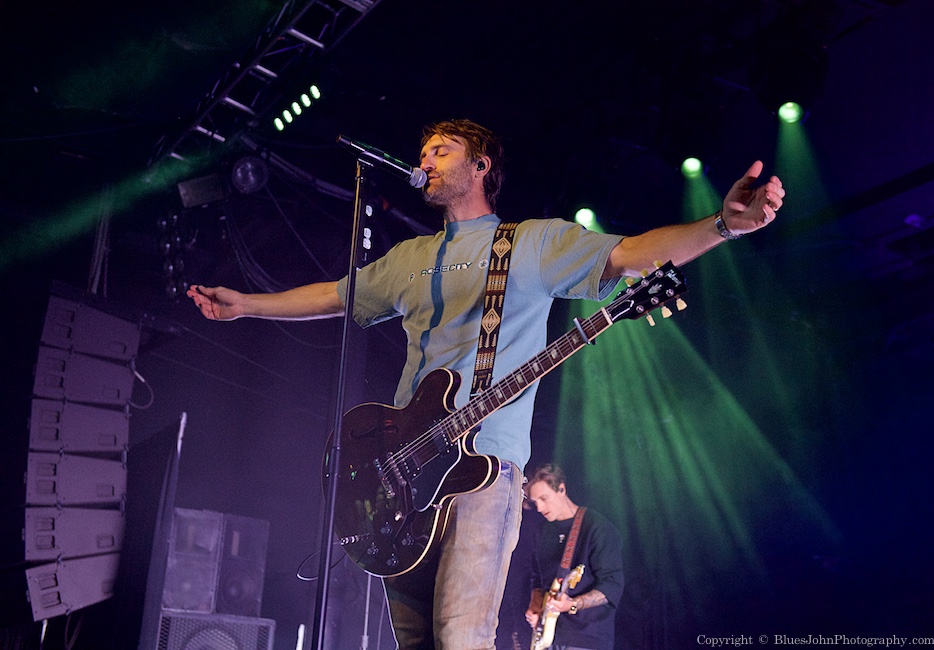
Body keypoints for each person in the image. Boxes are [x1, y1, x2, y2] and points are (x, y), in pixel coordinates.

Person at [187, 118, 784, 649]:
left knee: (462, 637)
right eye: (422, 152)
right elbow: (335, 295)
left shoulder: (532, 243)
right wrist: (247, 305)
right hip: (400, 471)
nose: (425, 161)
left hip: (484, 469)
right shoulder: (410, 257)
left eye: (441, 151)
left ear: (480, 166)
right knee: (416, 641)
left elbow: (633, 254)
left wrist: (722, 225)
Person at [524, 464, 624, 650]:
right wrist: (535, 605)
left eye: (544, 499)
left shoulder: (597, 528)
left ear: (561, 488)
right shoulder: (541, 532)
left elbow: (612, 585)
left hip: (587, 638)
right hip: (548, 637)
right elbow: (537, 578)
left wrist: (572, 604)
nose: (539, 508)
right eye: (534, 502)